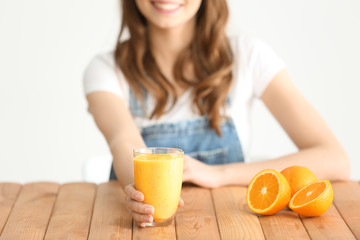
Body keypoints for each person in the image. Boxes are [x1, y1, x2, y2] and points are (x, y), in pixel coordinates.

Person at [83, 0, 350, 227]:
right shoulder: (105, 70)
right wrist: (141, 195)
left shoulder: (249, 56)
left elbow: (335, 159)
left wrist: (218, 174)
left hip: (231, 225)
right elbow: (123, 142)